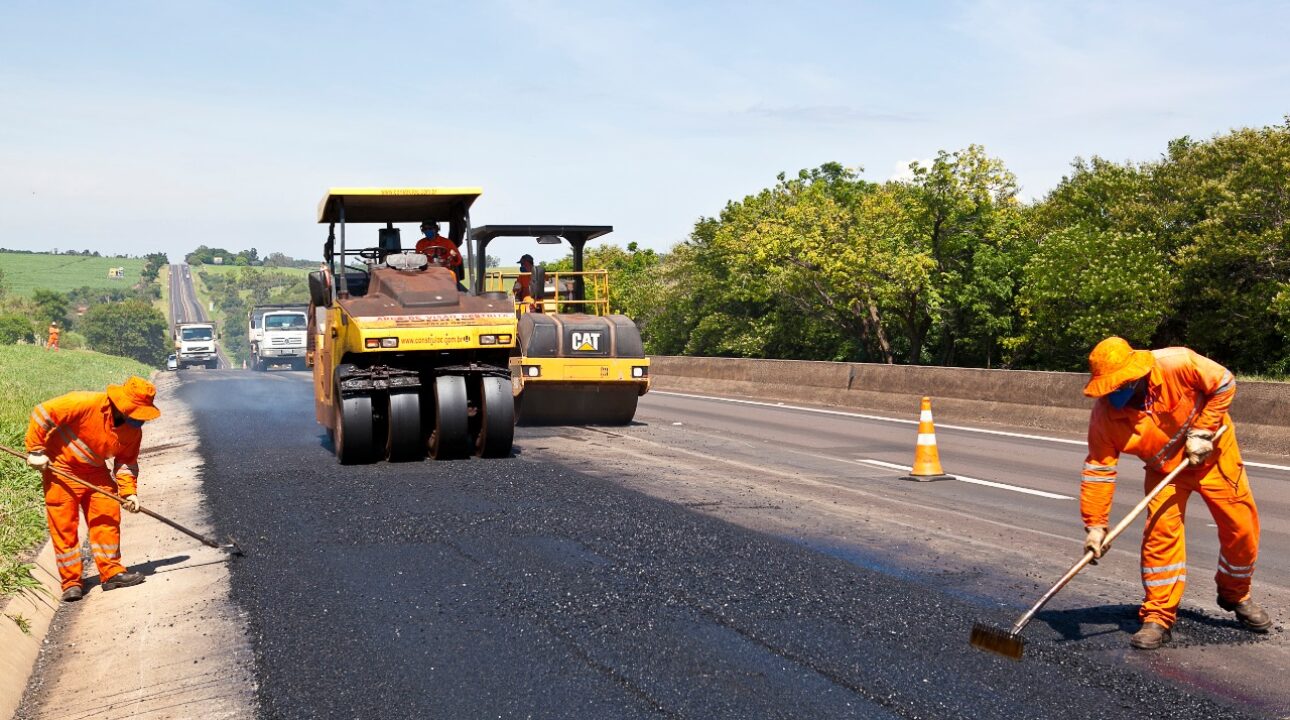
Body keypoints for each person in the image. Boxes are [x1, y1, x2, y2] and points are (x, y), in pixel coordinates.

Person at [1080, 336, 1269, 649]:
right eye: (1108, 388)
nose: (1113, 394)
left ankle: (1235, 594)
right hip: (1165, 470)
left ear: (1137, 376)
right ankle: (1158, 615)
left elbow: (1224, 382)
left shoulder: (1177, 362)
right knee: (1160, 536)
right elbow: (1099, 470)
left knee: (1242, 529)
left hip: (1214, 457)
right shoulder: (1105, 416)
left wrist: (1203, 431)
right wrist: (1096, 525)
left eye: (1119, 386)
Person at [25, 376, 161, 601]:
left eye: (141, 418)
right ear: (120, 407)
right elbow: (42, 413)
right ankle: (71, 583)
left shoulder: (133, 432)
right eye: (135, 416)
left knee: (107, 516)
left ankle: (111, 573)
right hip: (61, 470)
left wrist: (129, 493)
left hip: (96, 472)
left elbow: (126, 462)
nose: (139, 422)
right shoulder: (84, 403)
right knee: (64, 526)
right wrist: (36, 450)